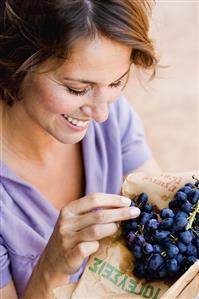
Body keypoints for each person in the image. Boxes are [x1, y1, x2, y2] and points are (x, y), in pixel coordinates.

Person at [0, 0, 161, 298]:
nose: (101, 115)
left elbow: (161, 206)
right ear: (17, 62)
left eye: (116, 82)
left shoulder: (114, 118)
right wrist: (51, 268)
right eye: (77, 89)